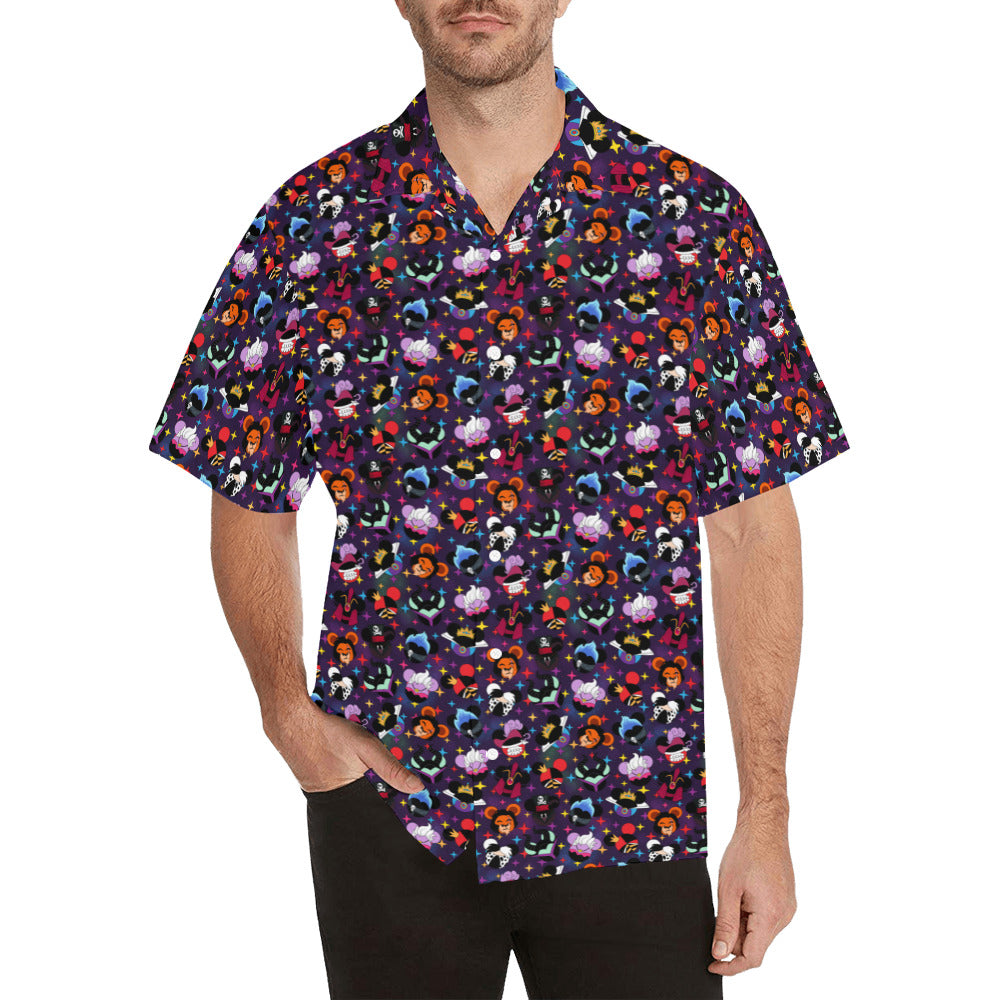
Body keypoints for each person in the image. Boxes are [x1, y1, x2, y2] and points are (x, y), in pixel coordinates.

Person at [147, 2, 851, 997]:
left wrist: (765, 812)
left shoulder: (691, 222)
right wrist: (286, 714)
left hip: (630, 807)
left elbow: (750, 527)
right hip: (391, 807)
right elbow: (245, 479)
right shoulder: (314, 224)